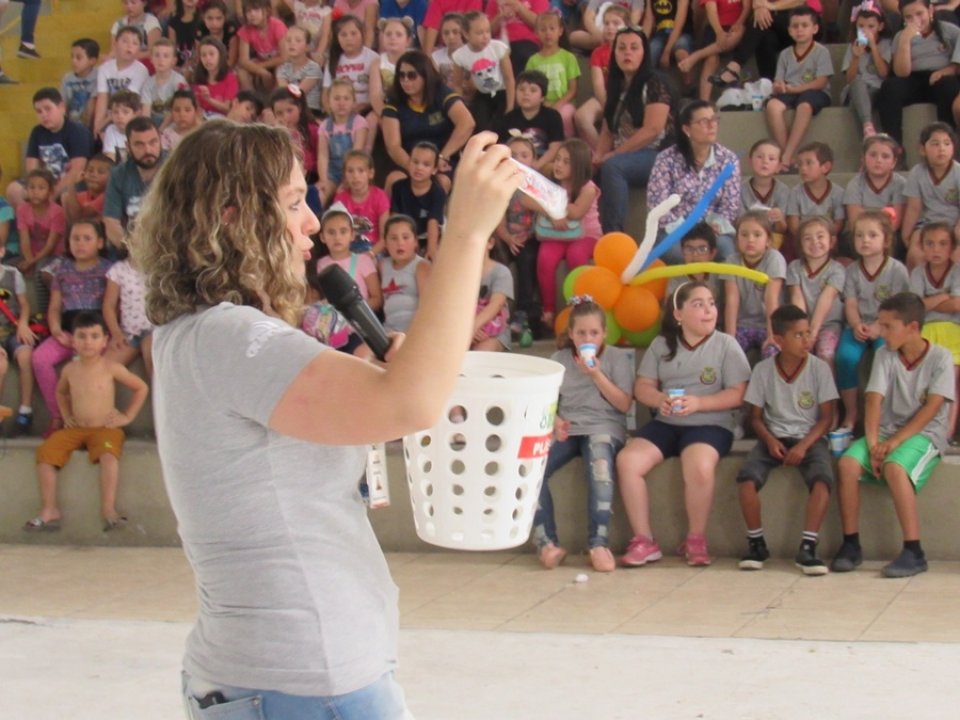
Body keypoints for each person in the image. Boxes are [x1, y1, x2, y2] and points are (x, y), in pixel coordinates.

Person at [134, 122, 520, 717]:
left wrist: (403, 371)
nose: (313, 221)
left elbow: (391, 400)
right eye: (293, 203)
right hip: (306, 685)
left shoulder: (203, 336)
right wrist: (467, 233)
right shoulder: (230, 337)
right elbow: (408, 404)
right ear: (234, 219)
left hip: (285, 679)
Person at [618, 281, 750, 567]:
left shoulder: (726, 345)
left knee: (699, 466)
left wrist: (700, 403)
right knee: (628, 461)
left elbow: (739, 393)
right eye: (698, 304)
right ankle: (644, 540)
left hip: (710, 423)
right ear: (678, 314)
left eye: (711, 303)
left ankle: (695, 539)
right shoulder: (661, 344)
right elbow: (642, 387)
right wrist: (659, 399)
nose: (708, 310)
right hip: (667, 421)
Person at [831, 292, 954, 578]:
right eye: (880, 325)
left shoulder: (940, 357)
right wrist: (874, 444)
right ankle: (851, 544)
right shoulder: (885, 355)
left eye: (888, 326)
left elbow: (932, 409)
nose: (881, 332)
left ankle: (914, 550)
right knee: (847, 464)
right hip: (885, 431)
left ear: (911, 327)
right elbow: (873, 400)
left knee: (895, 467)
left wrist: (893, 444)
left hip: (925, 434)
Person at [23, 310, 148, 532]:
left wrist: (127, 416)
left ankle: (109, 510)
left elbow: (141, 387)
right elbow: (61, 393)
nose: (88, 342)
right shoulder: (70, 369)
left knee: (109, 457)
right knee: (45, 455)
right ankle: (50, 509)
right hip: (75, 429)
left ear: (104, 341)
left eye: (94, 336)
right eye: (81, 336)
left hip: (105, 429)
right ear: (73, 340)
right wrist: (66, 415)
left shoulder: (111, 367)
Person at [533, 297, 633, 572]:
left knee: (599, 469)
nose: (587, 338)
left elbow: (624, 404)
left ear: (604, 334)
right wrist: (556, 421)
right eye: (581, 333)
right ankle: (546, 543)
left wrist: (596, 375)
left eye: (593, 333)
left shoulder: (615, 358)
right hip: (569, 429)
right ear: (570, 334)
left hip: (603, 427)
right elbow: (546, 401)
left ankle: (598, 543)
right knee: (533, 467)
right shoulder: (559, 360)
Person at [736, 304, 838, 575]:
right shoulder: (763, 370)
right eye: (798, 335)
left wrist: (804, 445)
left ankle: (808, 546)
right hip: (774, 437)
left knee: (822, 480)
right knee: (746, 479)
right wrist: (770, 441)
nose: (806, 341)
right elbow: (755, 417)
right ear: (779, 341)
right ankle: (756, 543)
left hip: (810, 437)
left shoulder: (819, 369)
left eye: (808, 334)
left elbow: (826, 418)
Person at [31, 220, 113, 436]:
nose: (80, 244)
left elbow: (113, 306)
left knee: (90, 368)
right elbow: (55, 306)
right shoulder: (62, 270)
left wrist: (105, 336)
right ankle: (59, 416)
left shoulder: (109, 270)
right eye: (75, 238)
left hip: (96, 335)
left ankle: (95, 420)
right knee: (39, 359)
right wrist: (57, 331)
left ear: (100, 242)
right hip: (68, 333)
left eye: (87, 238)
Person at [596, 27, 677, 234]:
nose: (627, 53)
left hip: (659, 154)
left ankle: (613, 236)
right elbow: (608, 129)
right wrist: (597, 157)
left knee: (613, 167)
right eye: (621, 48)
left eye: (634, 48)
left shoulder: (655, 82)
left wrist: (613, 154)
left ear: (645, 53)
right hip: (627, 154)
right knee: (582, 168)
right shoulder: (616, 85)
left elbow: (653, 128)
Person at [837, 210, 910, 430]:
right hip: (859, 325)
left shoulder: (897, 270)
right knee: (845, 357)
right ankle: (851, 413)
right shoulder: (850, 271)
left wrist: (880, 326)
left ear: (886, 240)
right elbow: (850, 303)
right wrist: (856, 324)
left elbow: (899, 307)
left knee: (884, 355)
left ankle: (883, 414)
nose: (865, 240)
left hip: (887, 327)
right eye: (859, 235)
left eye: (872, 235)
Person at [645, 100, 741, 263]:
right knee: (678, 254)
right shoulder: (666, 159)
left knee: (727, 252)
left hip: (713, 231)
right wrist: (686, 229)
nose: (712, 125)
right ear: (686, 129)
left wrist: (710, 229)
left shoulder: (728, 159)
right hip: (673, 231)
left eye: (714, 119)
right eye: (704, 122)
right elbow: (657, 204)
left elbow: (730, 205)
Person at [382, 50, 476, 188]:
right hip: (409, 161)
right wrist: (415, 168)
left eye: (412, 75)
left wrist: (442, 157)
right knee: (394, 180)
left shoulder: (441, 93)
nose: (406, 80)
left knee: (441, 182)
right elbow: (393, 146)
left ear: (425, 76)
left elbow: (467, 123)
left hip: (442, 161)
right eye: (402, 76)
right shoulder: (394, 101)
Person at [537, 138, 602, 330]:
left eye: (566, 162)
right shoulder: (551, 178)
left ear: (579, 166)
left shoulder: (588, 188)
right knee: (545, 258)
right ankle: (548, 309)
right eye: (557, 159)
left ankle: (579, 306)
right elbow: (527, 200)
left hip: (586, 235)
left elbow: (576, 212)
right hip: (557, 235)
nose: (558, 165)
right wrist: (550, 209)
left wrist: (550, 197)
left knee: (576, 255)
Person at [878, 0, 960, 145]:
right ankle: (894, 146)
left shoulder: (950, 31)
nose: (915, 20)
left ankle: (946, 142)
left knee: (949, 85)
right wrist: (905, 40)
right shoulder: (900, 36)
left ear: (930, 10)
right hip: (913, 79)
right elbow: (902, 72)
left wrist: (944, 71)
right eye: (908, 17)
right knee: (890, 87)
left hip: (941, 78)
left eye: (919, 14)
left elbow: (957, 64)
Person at [764, 7, 834, 173]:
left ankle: (785, 157)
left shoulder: (821, 52)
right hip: (790, 90)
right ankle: (790, 154)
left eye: (804, 25)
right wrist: (779, 86)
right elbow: (778, 80)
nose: (799, 30)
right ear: (789, 30)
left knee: (804, 106)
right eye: (795, 26)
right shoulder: (785, 54)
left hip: (815, 92)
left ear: (815, 29)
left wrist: (796, 89)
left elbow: (821, 81)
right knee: (773, 106)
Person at [910, 223, 960, 443]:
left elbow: (957, 305)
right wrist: (943, 297)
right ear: (921, 247)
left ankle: (947, 433)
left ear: (952, 248)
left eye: (943, 244)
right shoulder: (918, 273)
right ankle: (923, 429)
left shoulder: (957, 271)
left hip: (953, 331)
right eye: (930, 244)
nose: (936, 250)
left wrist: (930, 302)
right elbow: (916, 306)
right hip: (925, 332)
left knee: (951, 382)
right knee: (924, 382)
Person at [724, 210, 786, 360]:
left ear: (768, 241)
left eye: (757, 235)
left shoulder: (774, 258)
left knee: (773, 354)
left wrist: (772, 335)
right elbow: (732, 300)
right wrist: (730, 338)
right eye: (744, 235)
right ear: (736, 238)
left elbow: (771, 299)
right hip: (742, 324)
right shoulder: (731, 261)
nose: (750, 240)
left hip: (767, 325)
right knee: (729, 356)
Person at [786, 216, 845, 370]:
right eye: (807, 238)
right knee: (795, 352)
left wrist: (813, 331)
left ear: (831, 242)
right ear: (799, 243)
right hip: (801, 324)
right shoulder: (794, 267)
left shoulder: (837, 269)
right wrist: (803, 329)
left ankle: (829, 393)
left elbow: (826, 299)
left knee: (825, 353)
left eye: (820, 236)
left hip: (828, 325)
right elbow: (796, 297)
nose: (814, 242)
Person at [901, 123, 960, 269]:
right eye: (935, 144)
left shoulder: (958, 172)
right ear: (922, 149)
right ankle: (915, 290)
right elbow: (914, 208)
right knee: (915, 253)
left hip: (954, 224)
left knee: (955, 256)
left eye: (947, 143)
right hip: (928, 223)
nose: (942, 148)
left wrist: (956, 235)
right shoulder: (917, 172)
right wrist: (906, 236)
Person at [574, 5, 629, 151]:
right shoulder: (598, 53)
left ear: (627, 26)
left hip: (626, 97)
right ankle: (602, 153)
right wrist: (608, 108)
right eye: (606, 23)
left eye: (616, 23)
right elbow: (598, 86)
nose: (610, 27)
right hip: (604, 97)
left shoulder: (630, 51)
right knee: (581, 116)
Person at [104, 117, 164, 250]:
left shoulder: (177, 169)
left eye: (153, 142)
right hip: (132, 251)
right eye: (139, 144)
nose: (148, 150)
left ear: (161, 140)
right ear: (128, 146)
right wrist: (132, 250)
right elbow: (111, 222)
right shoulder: (118, 174)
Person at [25, 87, 94, 201]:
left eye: (48, 109)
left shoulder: (78, 131)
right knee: (14, 190)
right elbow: (32, 168)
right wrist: (37, 188)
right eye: (39, 111)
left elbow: (77, 170)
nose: (44, 115)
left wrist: (52, 194)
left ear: (62, 107)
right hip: (44, 183)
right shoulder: (36, 132)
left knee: (66, 195)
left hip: (72, 182)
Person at [451, 11, 515, 133]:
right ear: (466, 34)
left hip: (503, 92)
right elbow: (457, 84)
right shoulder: (460, 56)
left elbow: (509, 78)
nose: (485, 36)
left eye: (487, 31)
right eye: (480, 33)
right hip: (482, 94)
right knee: (481, 125)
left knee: (502, 124)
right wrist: (461, 107)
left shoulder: (498, 48)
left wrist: (510, 106)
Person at [316, 203, 383, 310]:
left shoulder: (363, 261)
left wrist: (357, 310)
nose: (337, 237)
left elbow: (377, 299)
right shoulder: (320, 264)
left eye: (343, 231)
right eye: (331, 232)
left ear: (352, 235)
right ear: (322, 237)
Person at [494, 69, 563, 173]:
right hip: (513, 163)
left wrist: (536, 165)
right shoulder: (509, 118)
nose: (526, 93)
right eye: (521, 89)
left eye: (533, 90)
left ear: (542, 97)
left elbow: (555, 147)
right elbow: (502, 146)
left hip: (541, 163)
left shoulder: (552, 116)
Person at [0, 242, 37, 435]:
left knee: (26, 355)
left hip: (13, 329)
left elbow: (24, 305)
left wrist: (23, 324)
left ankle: (25, 410)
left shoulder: (13, 274)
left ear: (2, 251)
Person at [524, 11, 579, 138]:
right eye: (543, 29)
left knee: (563, 115)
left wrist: (558, 104)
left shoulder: (568, 58)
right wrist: (541, 103)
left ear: (560, 31)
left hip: (564, 103)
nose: (548, 33)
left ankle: (565, 144)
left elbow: (573, 90)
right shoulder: (533, 60)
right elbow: (529, 86)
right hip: (540, 104)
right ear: (536, 33)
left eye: (552, 28)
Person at [389, 141, 447, 260]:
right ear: (409, 163)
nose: (419, 167)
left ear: (434, 169)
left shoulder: (437, 192)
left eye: (426, 164)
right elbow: (395, 218)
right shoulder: (398, 187)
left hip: (427, 237)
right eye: (415, 162)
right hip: (404, 236)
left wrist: (432, 249)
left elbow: (433, 222)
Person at [842, 0, 891, 138]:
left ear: (880, 26)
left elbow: (883, 73)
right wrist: (856, 57)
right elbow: (849, 79)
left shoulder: (886, 44)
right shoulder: (853, 46)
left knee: (857, 105)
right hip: (855, 90)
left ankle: (867, 130)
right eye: (861, 26)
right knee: (857, 83)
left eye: (871, 26)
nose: (865, 30)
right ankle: (868, 125)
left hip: (877, 90)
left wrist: (874, 47)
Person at [103, 253, 154, 379]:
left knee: (153, 361)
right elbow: (109, 305)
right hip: (129, 333)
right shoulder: (118, 270)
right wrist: (116, 333)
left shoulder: (158, 268)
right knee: (101, 369)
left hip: (153, 331)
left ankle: (158, 398)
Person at [317, 78, 368, 203]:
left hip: (354, 171)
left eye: (346, 99)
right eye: (337, 98)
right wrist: (323, 180)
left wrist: (346, 180)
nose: (341, 103)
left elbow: (356, 153)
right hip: (333, 173)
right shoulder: (325, 125)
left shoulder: (359, 122)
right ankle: (318, 221)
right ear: (328, 102)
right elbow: (323, 155)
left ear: (353, 102)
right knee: (320, 194)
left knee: (343, 195)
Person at [93, 25, 150, 137]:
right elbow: (102, 99)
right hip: (112, 115)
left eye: (135, 43)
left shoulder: (141, 70)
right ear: (115, 43)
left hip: (130, 115)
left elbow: (127, 100)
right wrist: (97, 126)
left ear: (139, 49)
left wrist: (104, 123)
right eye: (125, 41)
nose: (130, 46)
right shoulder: (104, 68)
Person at [843, 134, 905, 234]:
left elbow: (895, 223)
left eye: (885, 156)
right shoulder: (855, 184)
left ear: (893, 162)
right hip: (861, 233)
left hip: (889, 234)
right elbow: (854, 221)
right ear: (863, 158)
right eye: (873, 155)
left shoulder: (900, 184)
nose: (878, 160)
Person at [785, 142, 845, 243]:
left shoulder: (838, 193)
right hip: (803, 239)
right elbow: (793, 225)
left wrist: (823, 238)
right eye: (799, 164)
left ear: (825, 167)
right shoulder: (795, 193)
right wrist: (808, 238)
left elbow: (838, 224)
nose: (803, 168)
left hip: (828, 239)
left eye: (809, 163)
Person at [380, 213, 431, 333]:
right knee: (361, 351)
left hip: (414, 332)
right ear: (386, 243)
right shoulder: (382, 265)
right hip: (388, 331)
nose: (400, 243)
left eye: (405, 237)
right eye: (393, 238)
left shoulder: (422, 266)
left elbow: (427, 308)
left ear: (415, 242)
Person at [333, 150, 390, 255]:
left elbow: (385, 238)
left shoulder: (380, 197)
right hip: (348, 248)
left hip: (373, 248)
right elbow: (337, 232)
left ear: (370, 173)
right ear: (345, 175)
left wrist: (371, 254)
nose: (355, 176)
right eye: (350, 171)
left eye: (361, 171)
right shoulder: (340, 199)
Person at [741, 139, 789, 247]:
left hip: (773, 239)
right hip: (748, 238)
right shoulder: (741, 190)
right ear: (750, 161)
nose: (765, 161)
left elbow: (781, 229)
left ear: (779, 166)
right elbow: (739, 223)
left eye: (771, 158)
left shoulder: (783, 191)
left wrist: (779, 219)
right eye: (759, 157)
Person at [471, 236, 513, 351]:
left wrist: (473, 327)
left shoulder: (501, 272)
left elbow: (496, 305)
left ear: (490, 243)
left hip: (494, 331)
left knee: (481, 355)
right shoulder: (458, 273)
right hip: (463, 328)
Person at [236, 0, 287, 92]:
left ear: (266, 11)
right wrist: (261, 71)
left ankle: (276, 99)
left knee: (281, 69)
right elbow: (244, 60)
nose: (252, 14)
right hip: (261, 61)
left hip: (278, 61)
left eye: (256, 10)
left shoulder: (277, 25)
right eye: (248, 11)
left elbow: (284, 57)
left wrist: (261, 66)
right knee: (242, 71)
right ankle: (251, 99)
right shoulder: (245, 30)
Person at [140, 38, 188, 126]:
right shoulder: (148, 84)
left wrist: (161, 130)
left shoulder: (179, 81)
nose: (161, 60)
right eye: (157, 55)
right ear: (151, 59)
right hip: (154, 122)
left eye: (166, 56)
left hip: (174, 121)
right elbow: (146, 113)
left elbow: (180, 108)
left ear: (173, 61)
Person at [275, 25, 323, 114]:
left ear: (307, 47)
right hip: (289, 110)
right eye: (288, 40)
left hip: (310, 111)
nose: (292, 44)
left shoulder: (313, 68)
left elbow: (298, 93)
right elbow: (284, 92)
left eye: (298, 40)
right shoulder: (282, 69)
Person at [192, 37, 240, 117]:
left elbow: (227, 108)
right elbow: (197, 107)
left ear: (220, 55)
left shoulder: (230, 78)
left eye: (211, 54)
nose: (207, 58)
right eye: (203, 55)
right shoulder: (199, 79)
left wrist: (208, 99)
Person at [61, 38, 101, 128]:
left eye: (78, 58)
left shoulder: (99, 75)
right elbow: (62, 104)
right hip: (71, 125)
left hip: (91, 125)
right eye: (72, 57)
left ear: (92, 61)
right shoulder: (67, 78)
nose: (73, 61)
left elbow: (92, 104)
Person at [63, 153, 112, 223]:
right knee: (64, 197)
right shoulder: (81, 195)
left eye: (100, 172)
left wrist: (71, 185)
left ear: (112, 178)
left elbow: (79, 217)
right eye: (90, 170)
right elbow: (72, 221)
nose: (93, 175)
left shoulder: (107, 196)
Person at [102, 89, 143, 163]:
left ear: (136, 114)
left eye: (125, 112)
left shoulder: (142, 131)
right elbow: (110, 159)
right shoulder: (111, 130)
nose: (120, 116)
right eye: (115, 112)